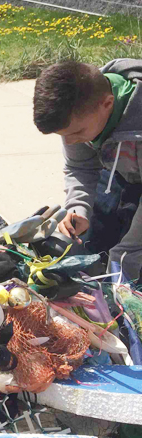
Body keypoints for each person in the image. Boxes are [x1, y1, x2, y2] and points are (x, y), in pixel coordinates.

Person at [32, 59, 142, 279]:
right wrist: (77, 208)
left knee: (127, 260)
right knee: (94, 250)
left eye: (77, 133)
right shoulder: (82, 107)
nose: (71, 142)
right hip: (119, 171)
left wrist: (129, 250)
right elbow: (80, 166)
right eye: (65, 135)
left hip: (130, 162)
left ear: (108, 103)